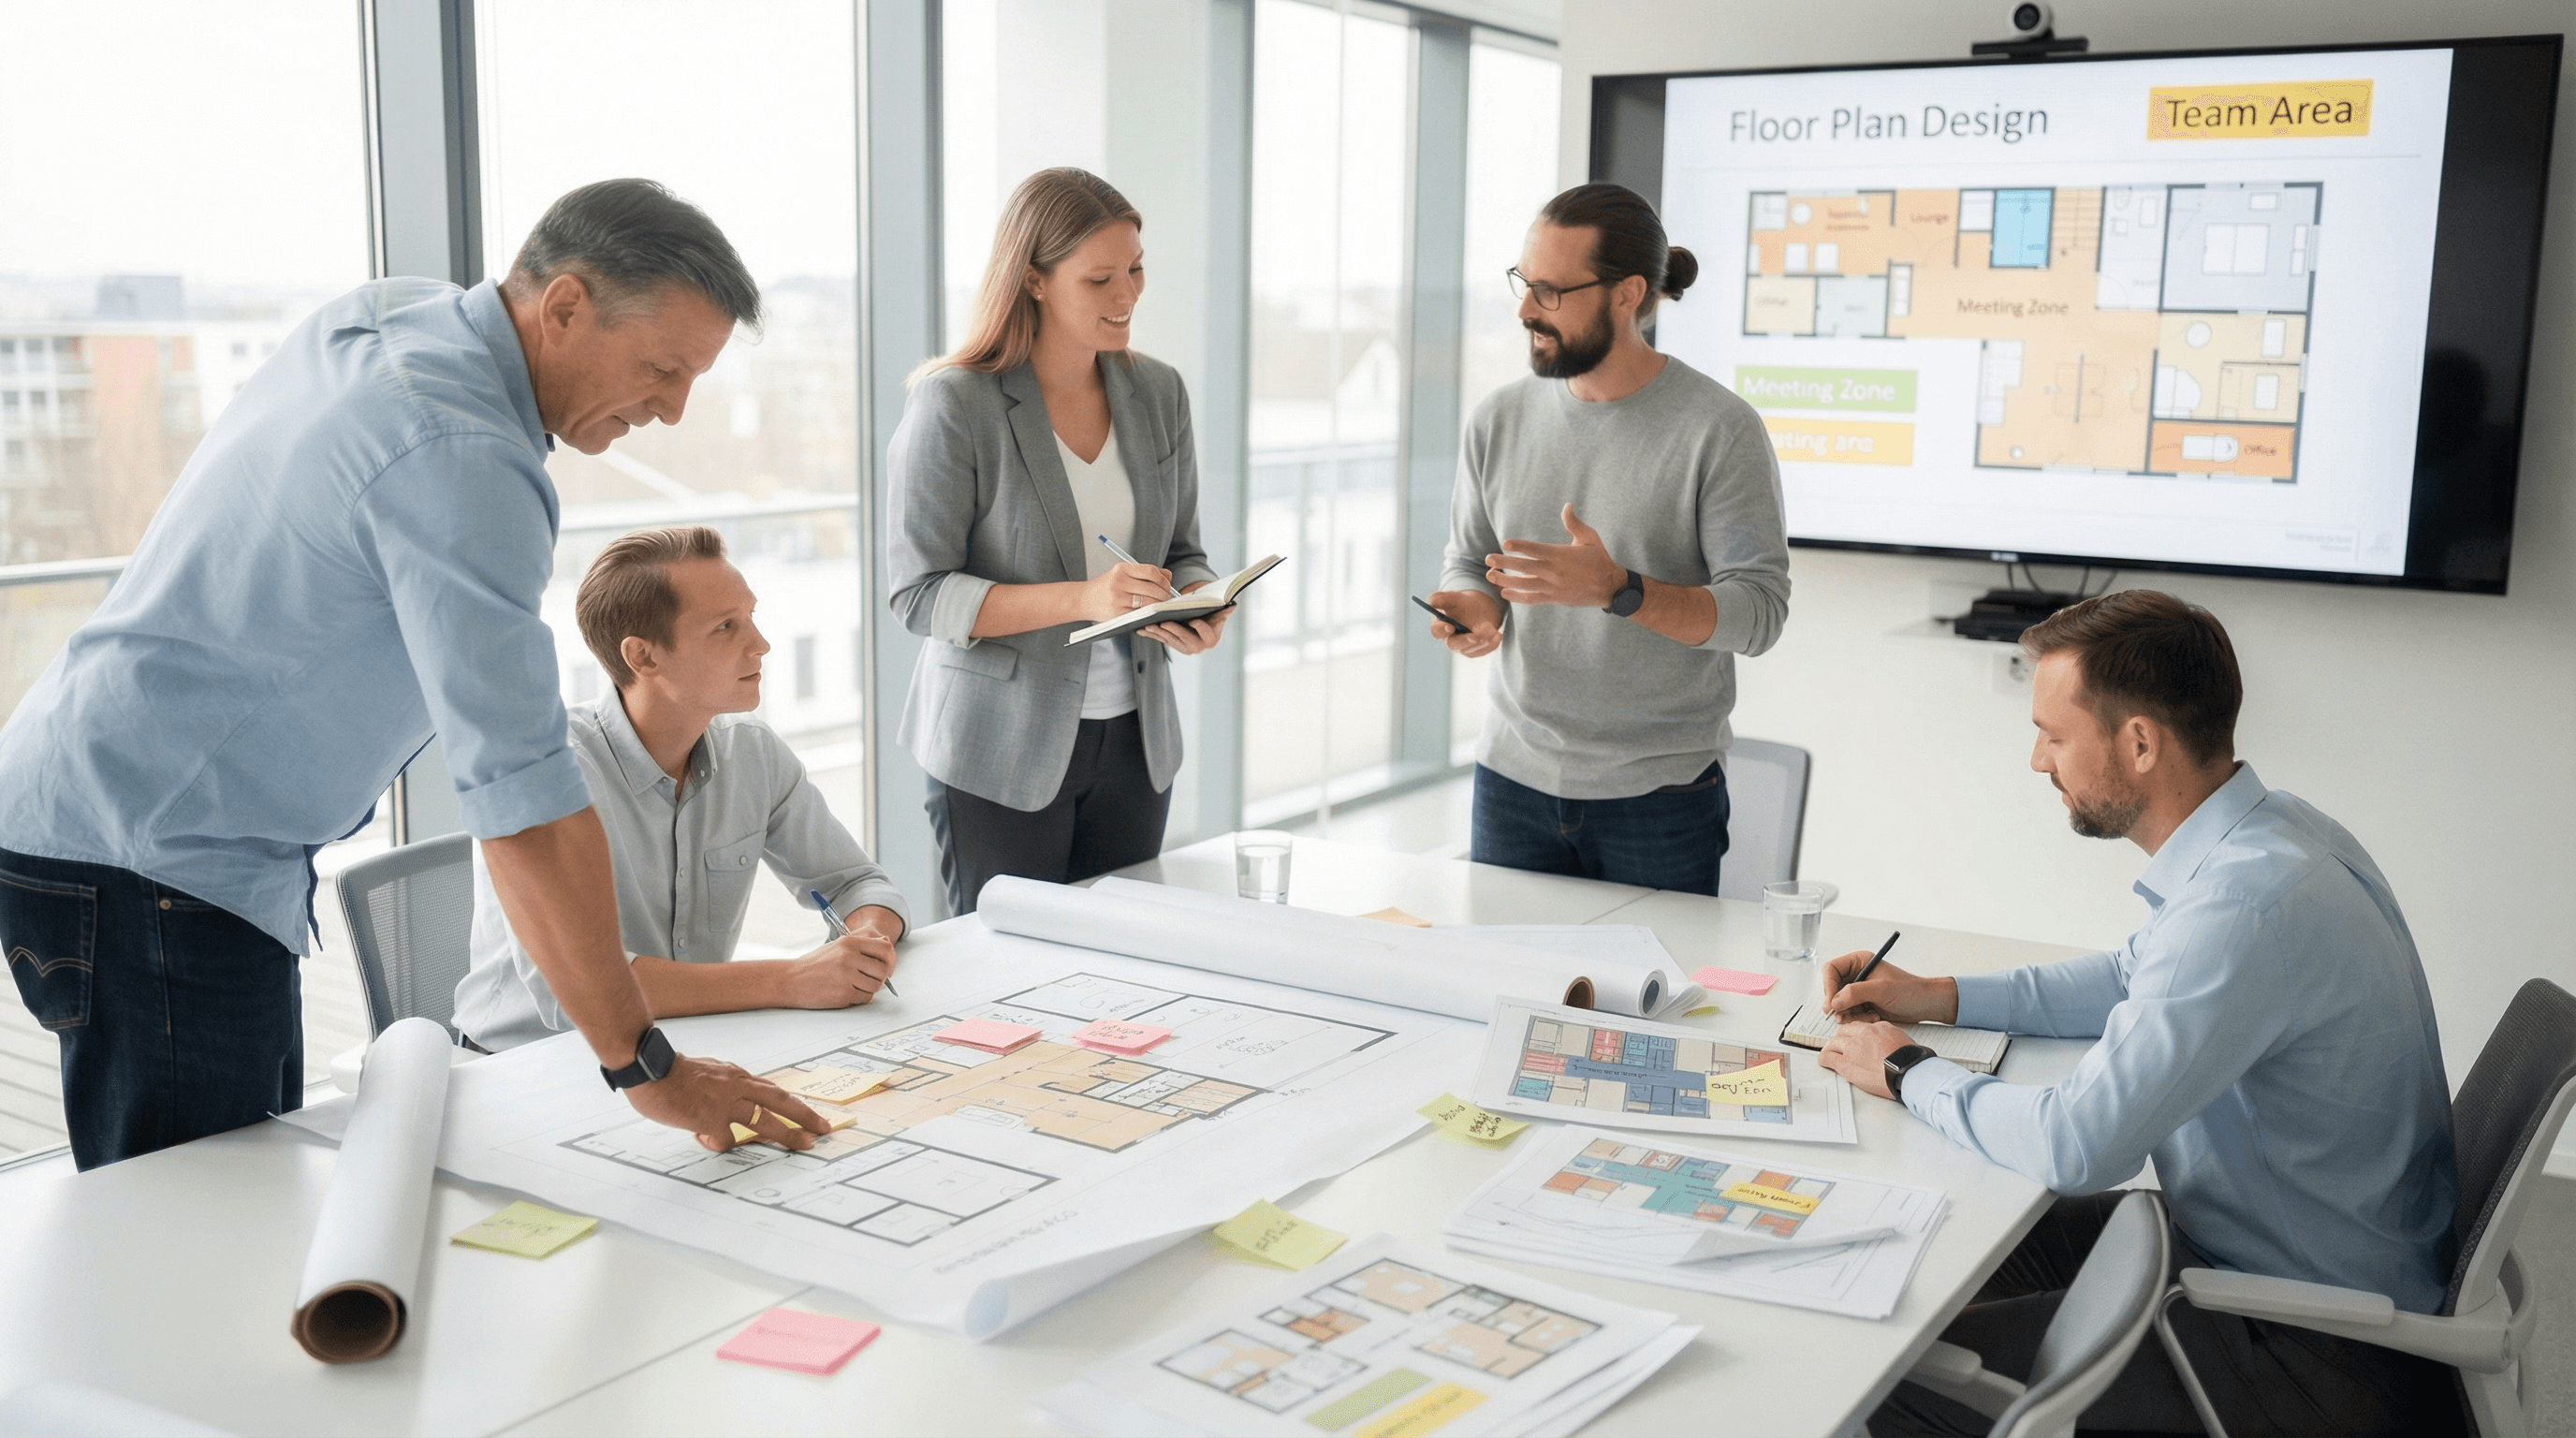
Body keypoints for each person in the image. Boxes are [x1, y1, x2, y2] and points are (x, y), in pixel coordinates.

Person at [0, 180, 832, 1168]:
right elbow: (523, 805)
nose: (673, 408)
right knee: (203, 1215)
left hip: (120, 817)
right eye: (661, 369)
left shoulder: (398, 315)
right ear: (564, 305)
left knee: (242, 1192)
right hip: (154, 854)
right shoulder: (463, 452)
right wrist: (646, 1067)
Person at [1819, 590, 2462, 1436]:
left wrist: (1906, 1069)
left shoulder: (2241, 908)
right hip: (2253, 1261)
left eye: (2054, 736)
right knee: (1937, 1241)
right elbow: (2131, 975)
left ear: (2141, 743)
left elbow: (2077, 1146)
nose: (2038, 761)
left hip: (2307, 1349)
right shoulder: (2277, 835)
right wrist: (1942, 996)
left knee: (1875, 1384)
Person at [1427, 183, 1790, 895]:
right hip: (1511, 779)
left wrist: (1620, 590)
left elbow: (1759, 615)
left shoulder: (1720, 429)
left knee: (1651, 976)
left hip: (1660, 798)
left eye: (1552, 292)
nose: (1526, 310)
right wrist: (1472, 604)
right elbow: (1470, 559)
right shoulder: (1497, 418)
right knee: (1504, 968)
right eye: (1525, 283)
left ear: (1627, 295)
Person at [887, 168, 1229, 916]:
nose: (1127, 294)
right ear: (1034, 280)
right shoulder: (956, 402)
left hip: (1136, 747)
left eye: (1135, 269)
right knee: (1005, 972)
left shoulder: (1159, 392)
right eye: (1099, 278)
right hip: (997, 752)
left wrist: (1196, 601)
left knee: (1125, 966)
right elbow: (919, 595)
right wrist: (1086, 599)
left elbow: (1181, 549)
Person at [453, 526, 910, 1051]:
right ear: (643, 657)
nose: (761, 644)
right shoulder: (546, 775)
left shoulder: (752, 752)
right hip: (529, 1061)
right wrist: (790, 978)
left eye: (751, 617)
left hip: (686, 1044)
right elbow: (576, 988)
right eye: (725, 627)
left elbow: (859, 884)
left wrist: (866, 939)